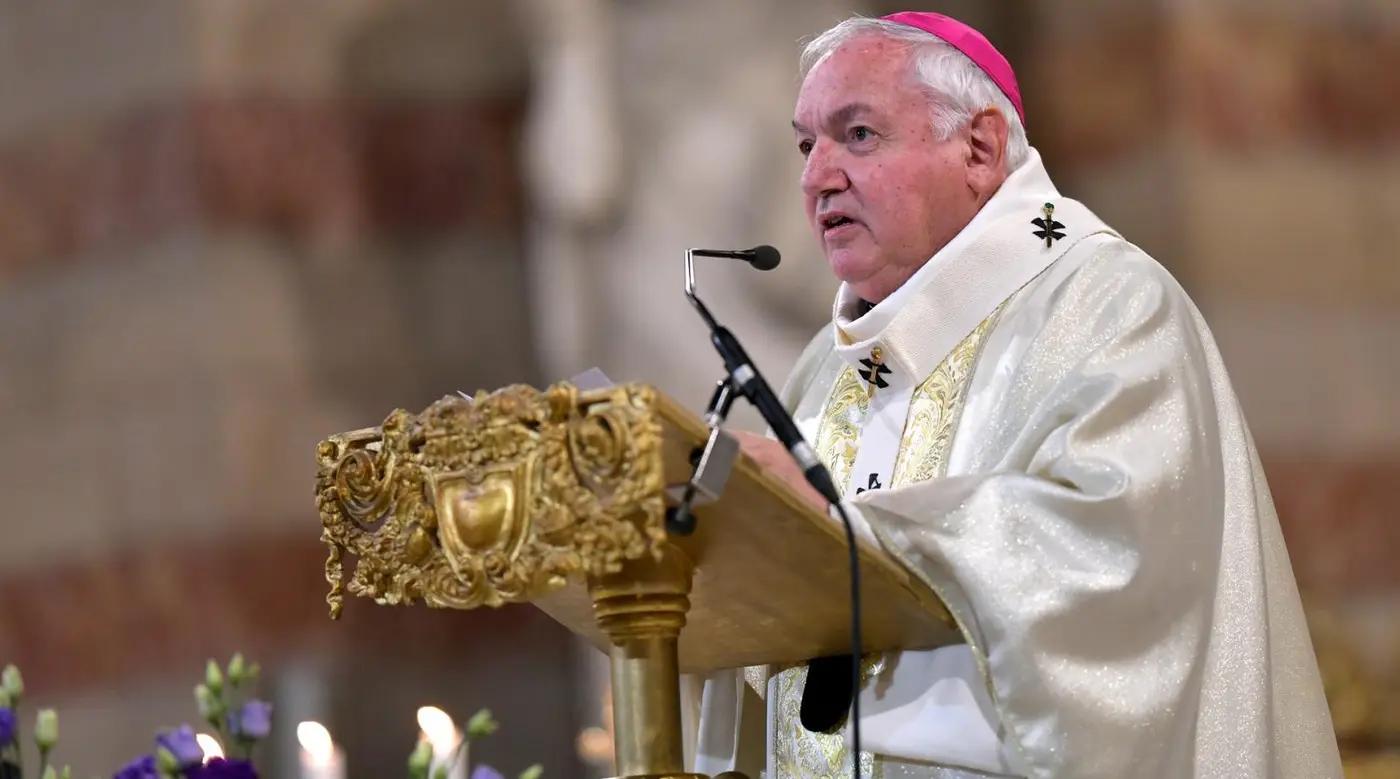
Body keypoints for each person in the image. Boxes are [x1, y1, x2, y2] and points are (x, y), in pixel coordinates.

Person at [693, 11, 1343, 779]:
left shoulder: (1108, 306)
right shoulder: (820, 371)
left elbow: (1113, 560)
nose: (815, 175)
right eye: (808, 144)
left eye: (858, 135)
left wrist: (861, 531)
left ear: (980, 147)